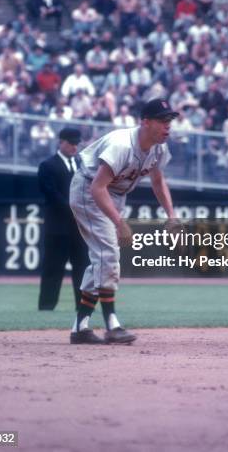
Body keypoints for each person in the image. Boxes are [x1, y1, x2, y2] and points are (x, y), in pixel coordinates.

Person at [69, 98, 179, 345]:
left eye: (170, 121)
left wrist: (171, 216)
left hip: (115, 194)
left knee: (101, 260)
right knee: (108, 255)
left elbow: (158, 181)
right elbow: (98, 187)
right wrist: (120, 222)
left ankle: (80, 328)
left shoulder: (158, 148)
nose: (168, 126)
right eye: (162, 121)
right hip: (88, 190)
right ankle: (112, 325)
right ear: (146, 122)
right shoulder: (122, 145)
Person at [38, 128, 88, 311]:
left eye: (77, 143)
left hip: (79, 228)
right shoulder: (47, 165)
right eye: (71, 143)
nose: (75, 147)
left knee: (82, 268)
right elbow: (51, 195)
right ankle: (46, 307)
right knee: (53, 269)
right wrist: (76, 208)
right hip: (57, 228)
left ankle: (84, 307)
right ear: (62, 142)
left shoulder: (82, 165)